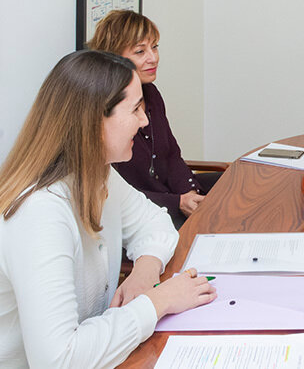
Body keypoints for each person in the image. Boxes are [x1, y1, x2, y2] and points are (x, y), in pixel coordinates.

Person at [0, 50, 217, 368]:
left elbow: (155, 222)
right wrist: (157, 302)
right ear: (93, 121)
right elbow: (58, 359)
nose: (144, 121)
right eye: (135, 109)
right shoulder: (39, 212)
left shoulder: (96, 173)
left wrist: (145, 270)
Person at [88, 10, 219, 228]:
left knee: (235, 186)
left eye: (155, 47)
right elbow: (119, 194)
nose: (153, 58)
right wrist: (178, 202)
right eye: (140, 51)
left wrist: (189, 191)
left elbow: (171, 155)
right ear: (114, 57)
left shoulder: (151, 93)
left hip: (171, 194)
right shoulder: (105, 111)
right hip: (144, 210)